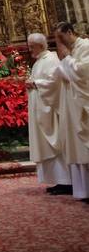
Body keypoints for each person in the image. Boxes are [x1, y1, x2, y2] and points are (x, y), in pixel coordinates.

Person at [25, 33, 71, 194]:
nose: (29, 49)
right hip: (41, 109)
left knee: (56, 145)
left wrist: (36, 83)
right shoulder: (40, 61)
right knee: (48, 147)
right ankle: (59, 181)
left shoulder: (50, 60)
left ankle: (66, 181)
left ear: (41, 45)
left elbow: (55, 82)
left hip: (50, 111)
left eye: (32, 46)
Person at [53, 22, 89, 200]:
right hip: (73, 105)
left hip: (83, 106)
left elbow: (83, 73)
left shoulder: (85, 47)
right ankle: (83, 190)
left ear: (69, 32)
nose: (60, 43)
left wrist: (67, 59)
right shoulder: (73, 50)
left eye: (61, 38)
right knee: (76, 148)